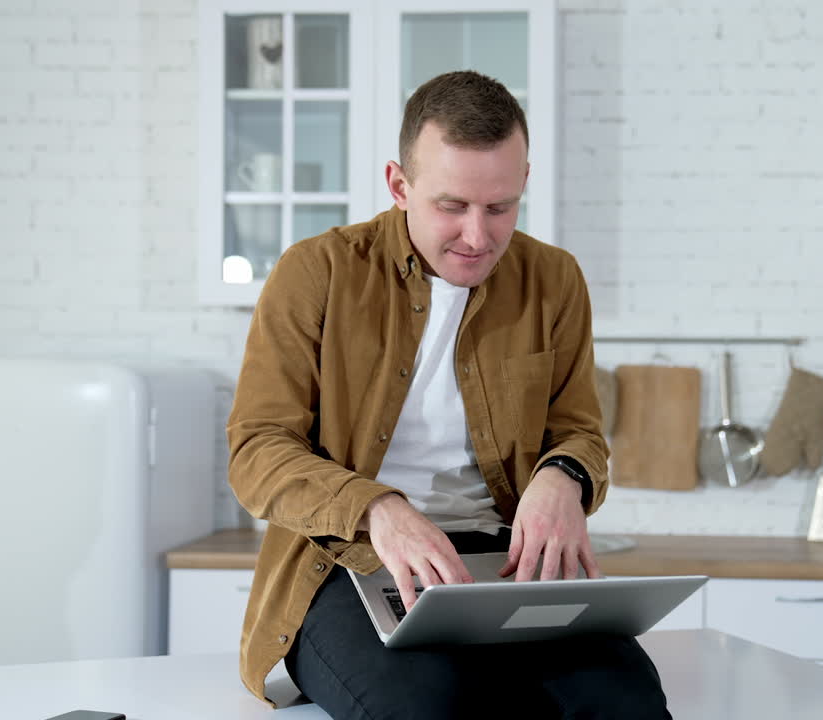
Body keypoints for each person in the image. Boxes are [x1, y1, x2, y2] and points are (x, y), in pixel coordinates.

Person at [227, 70, 670, 718]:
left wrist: (564, 476)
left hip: (504, 565)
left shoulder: (554, 280)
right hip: (349, 561)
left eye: (500, 208)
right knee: (428, 706)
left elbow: (578, 430)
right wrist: (379, 509)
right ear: (398, 186)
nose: (478, 236)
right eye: (452, 206)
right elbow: (256, 450)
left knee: (626, 699)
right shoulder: (316, 272)